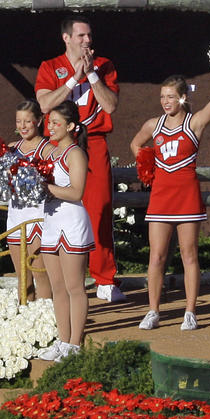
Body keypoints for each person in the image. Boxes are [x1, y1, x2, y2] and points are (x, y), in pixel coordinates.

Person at [130, 74, 210, 331]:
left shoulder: (193, 123)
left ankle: (190, 311)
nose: (165, 101)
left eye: (171, 96)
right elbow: (136, 144)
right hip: (161, 197)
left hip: (187, 197)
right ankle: (153, 310)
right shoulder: (154, 125)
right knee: (157, 256)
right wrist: (146, 166)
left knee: (189, 254)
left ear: (183, 97)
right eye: (162, 96)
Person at [35, 16, 123, 302]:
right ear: (67, 38)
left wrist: (92, 74)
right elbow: (45, 104)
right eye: (81, 36)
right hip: (58, 144)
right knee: (55, 207)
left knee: (99, 210)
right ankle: (59, 278)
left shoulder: (105, 64)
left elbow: (110, 105)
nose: (87, 40)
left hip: (93, 142)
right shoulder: (50, 66)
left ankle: (105, 278)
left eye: (89, 35)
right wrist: (74, 77)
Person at [38, 101, 94, 359]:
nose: (50, 127)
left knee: (74, 287)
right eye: (49, 123)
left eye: (56, 123)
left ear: (71, 126)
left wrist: (43, 187)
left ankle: (74, 344)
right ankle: (62, 340)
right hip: (50, 221)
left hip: (71, 222)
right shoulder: (49, 153)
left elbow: (77, 191)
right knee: (56, 287)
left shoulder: (75, 154)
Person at [5, 100, 51, 301]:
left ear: (39, 121)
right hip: (15, 215)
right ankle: (25, 322)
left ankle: (47, 321)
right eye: (18, 121)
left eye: (27, 121)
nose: (22, 126)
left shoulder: (48, 149)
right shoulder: (10, 149)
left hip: (38, 216)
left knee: (41, 274)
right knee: (22, 277)